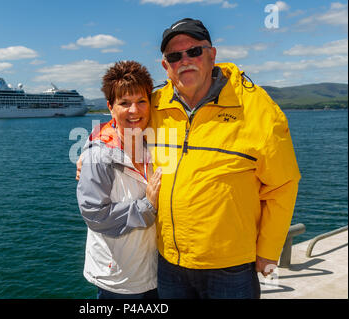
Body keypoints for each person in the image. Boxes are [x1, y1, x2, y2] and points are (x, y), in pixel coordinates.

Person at [149, 18, 301, 299]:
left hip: (230, 268)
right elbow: (122, 126)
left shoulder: (256, 108)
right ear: (165, 66)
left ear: (212, 54)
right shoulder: (156, 106)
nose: (185, 60)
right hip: (170, 263)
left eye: (194, 51)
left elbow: (283, 184)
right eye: (174, 56)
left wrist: (268, 251)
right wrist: (94, 151)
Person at [76, 61, 162, 299]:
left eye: (141, 101)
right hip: (118, 279)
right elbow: (94, 214)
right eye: (124, 103)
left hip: (155, 272)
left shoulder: (156, 144)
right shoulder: (98, 156)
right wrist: (147, 206)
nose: (134, 110)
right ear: (110, 107)